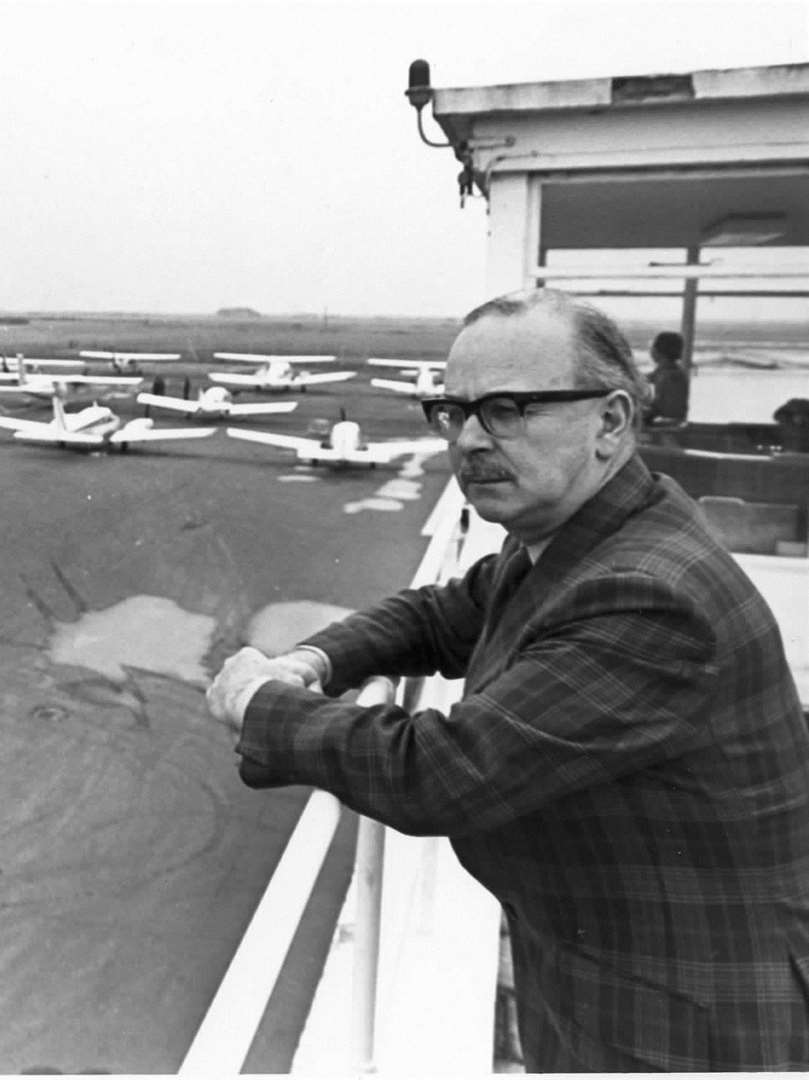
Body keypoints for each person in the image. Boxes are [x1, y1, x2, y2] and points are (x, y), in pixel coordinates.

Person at [206, 288, 809, 1072]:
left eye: (509, 409)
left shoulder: (645, 594)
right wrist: (315, 661)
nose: (467, 440)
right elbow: (440, 612)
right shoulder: (585, 534)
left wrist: (261, 703)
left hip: (685, 1021)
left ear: (611, 422)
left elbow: (440, 773)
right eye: (453, 412)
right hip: (610, 970)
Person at [645, 330, 689, 425]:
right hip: (676, 421)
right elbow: (643, 378)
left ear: (659, 351)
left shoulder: (667, 376)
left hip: (666, 423)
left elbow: (660, 407)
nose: (651, 350)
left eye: (653, 346)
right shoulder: (672, 370)